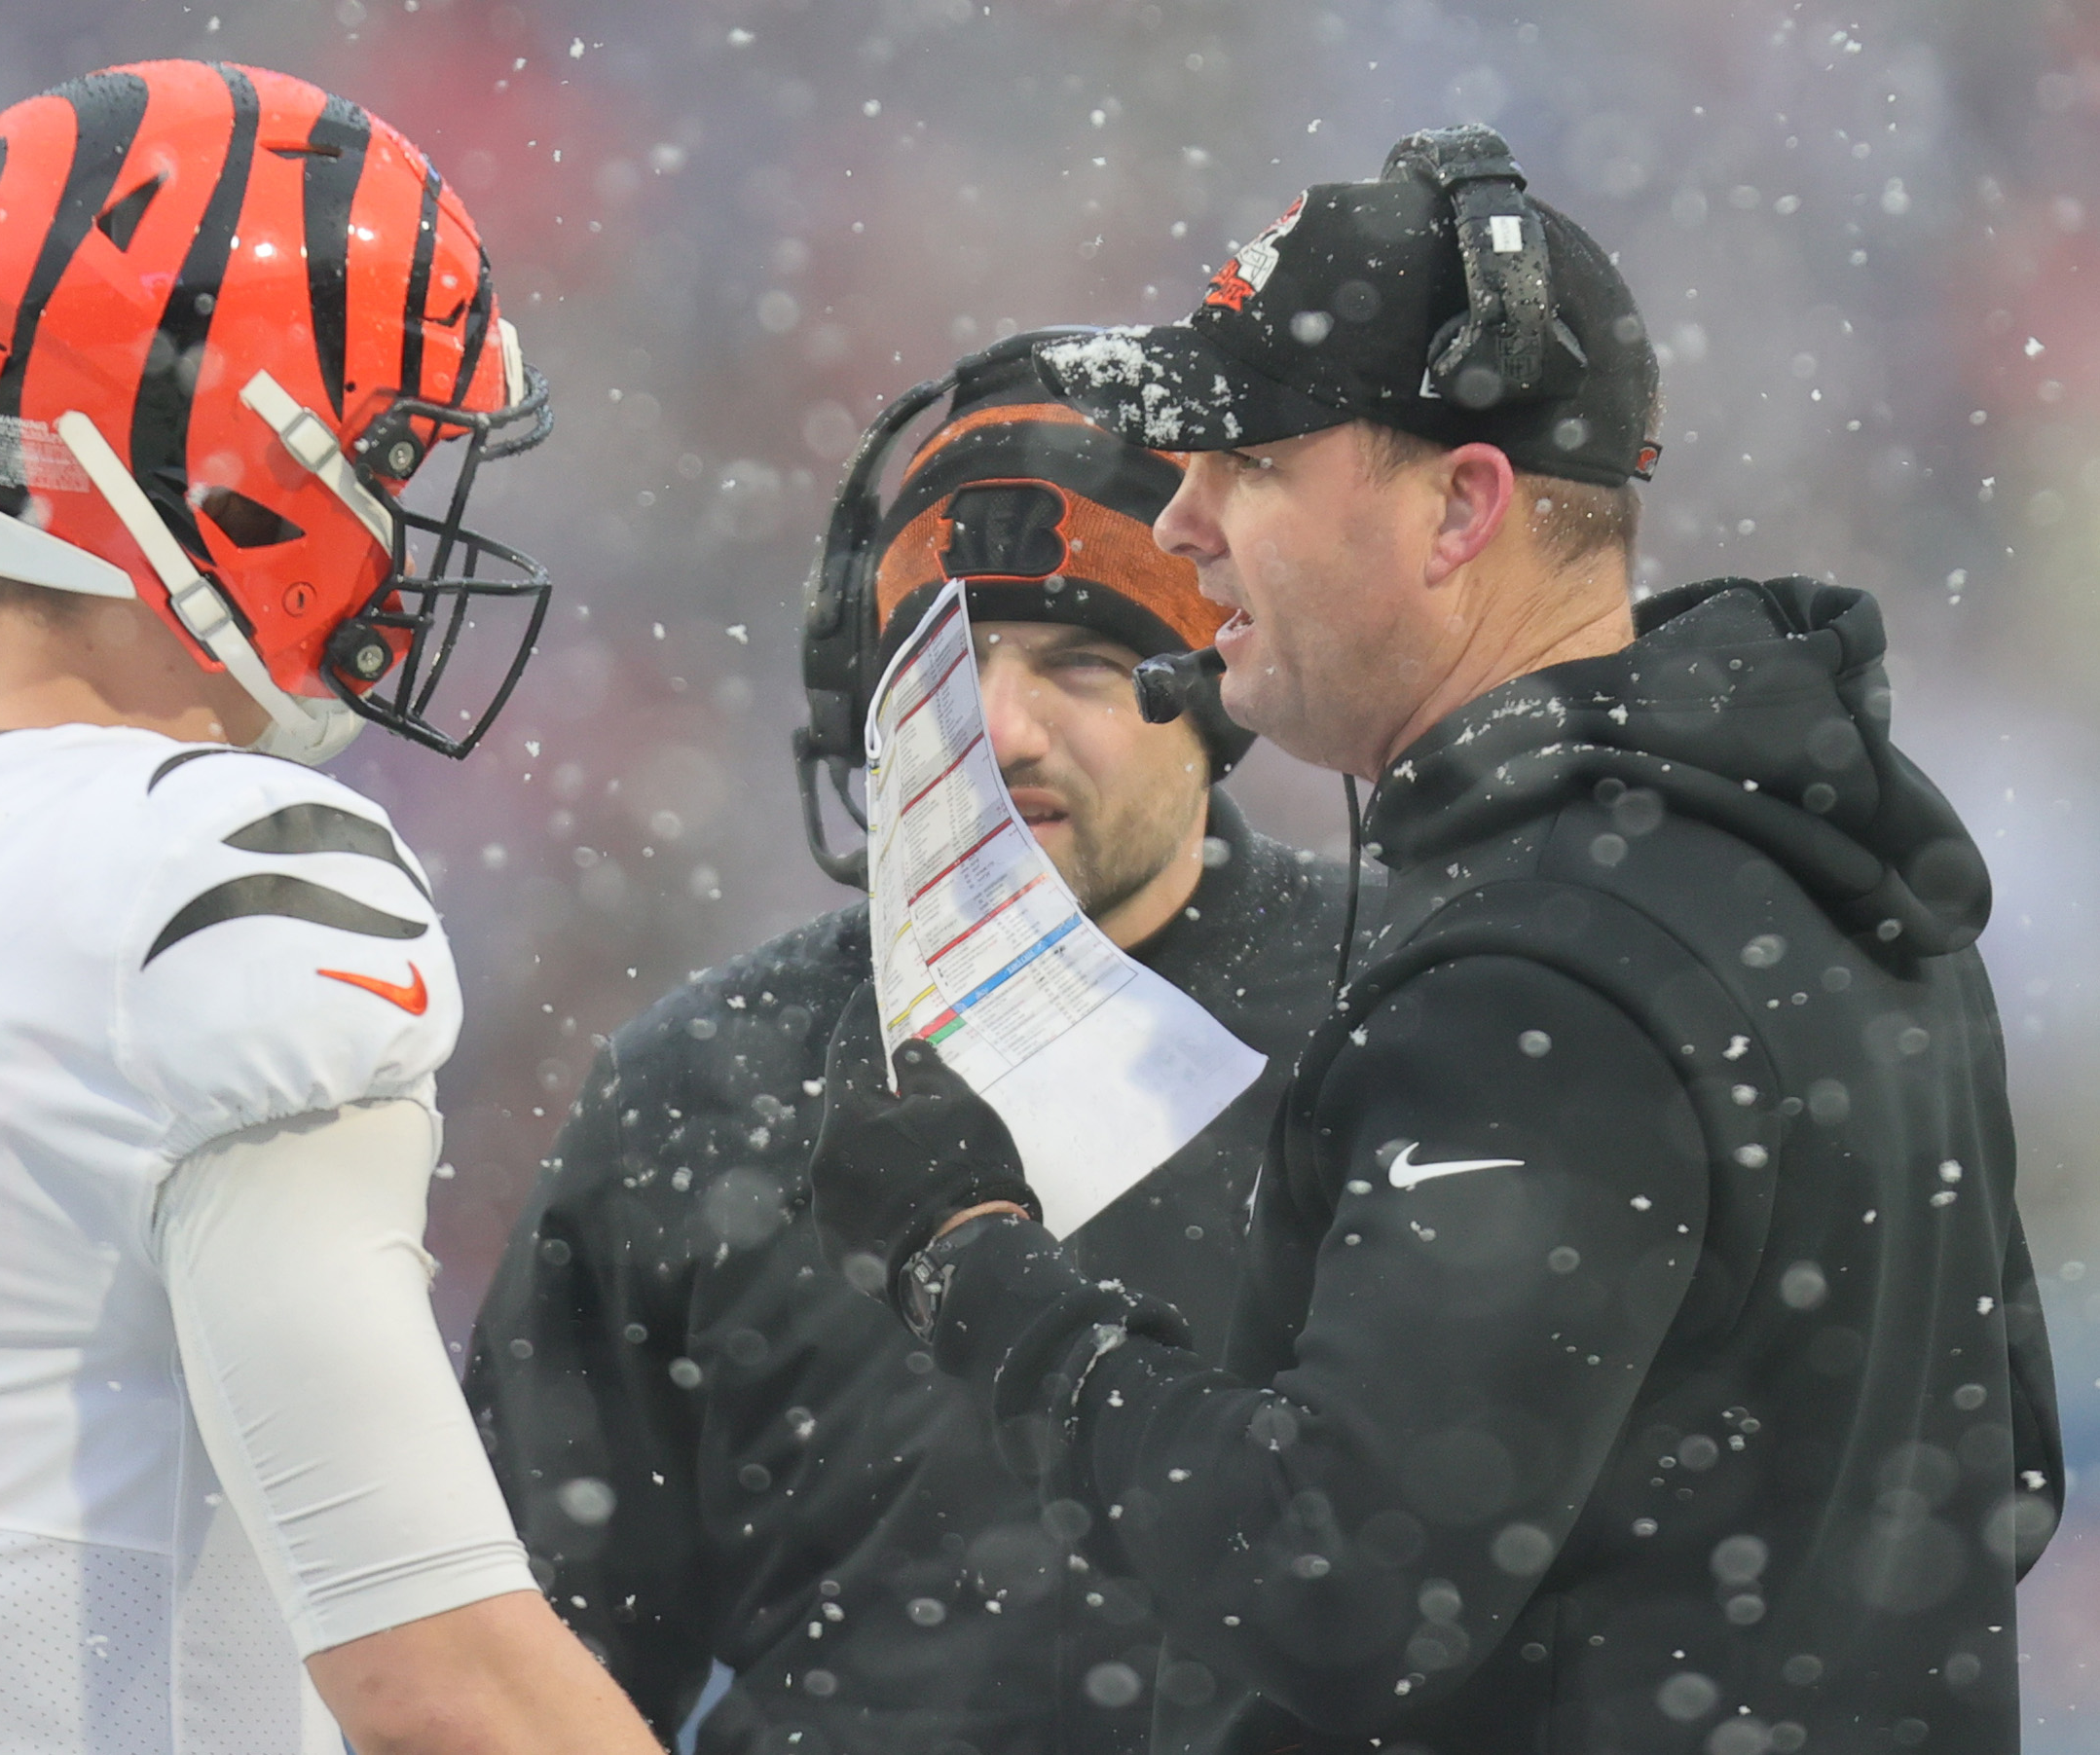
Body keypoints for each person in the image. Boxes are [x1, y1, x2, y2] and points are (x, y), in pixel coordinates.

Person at [808, 126, 2064, 1755]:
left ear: (1463, 505)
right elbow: (2002, 1473)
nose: (1181, 523)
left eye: (1246, 464)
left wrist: (968, 1259)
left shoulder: (1535, 974)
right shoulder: (1822, 857)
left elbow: (1337, 1589)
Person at [0, 62, 658, 1755]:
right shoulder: (213, 884)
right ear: (226, 472)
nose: (412, 519)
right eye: (385, 453)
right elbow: (435, 1676)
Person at [463, 337, 1361, 1755]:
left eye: (1078, 660)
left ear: (1217, 690)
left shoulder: (1408, 1031)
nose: (997, 729)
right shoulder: (701, 1089)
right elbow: (519, 1670)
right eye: (942, 666)